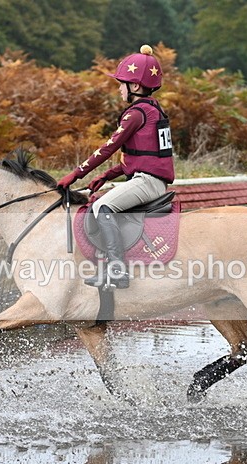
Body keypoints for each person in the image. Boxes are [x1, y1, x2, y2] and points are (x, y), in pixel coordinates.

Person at [57, 44, 175, 289]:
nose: (120, 89)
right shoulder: (154, 110)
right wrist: (106, 175)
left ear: (135, 86)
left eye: (122, 84)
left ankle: (117, 271)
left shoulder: (136, 113)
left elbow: (108, 147)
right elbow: (141, 156)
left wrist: (76, 174)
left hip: (147, 182)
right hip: (150, 179)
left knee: (102, 207)